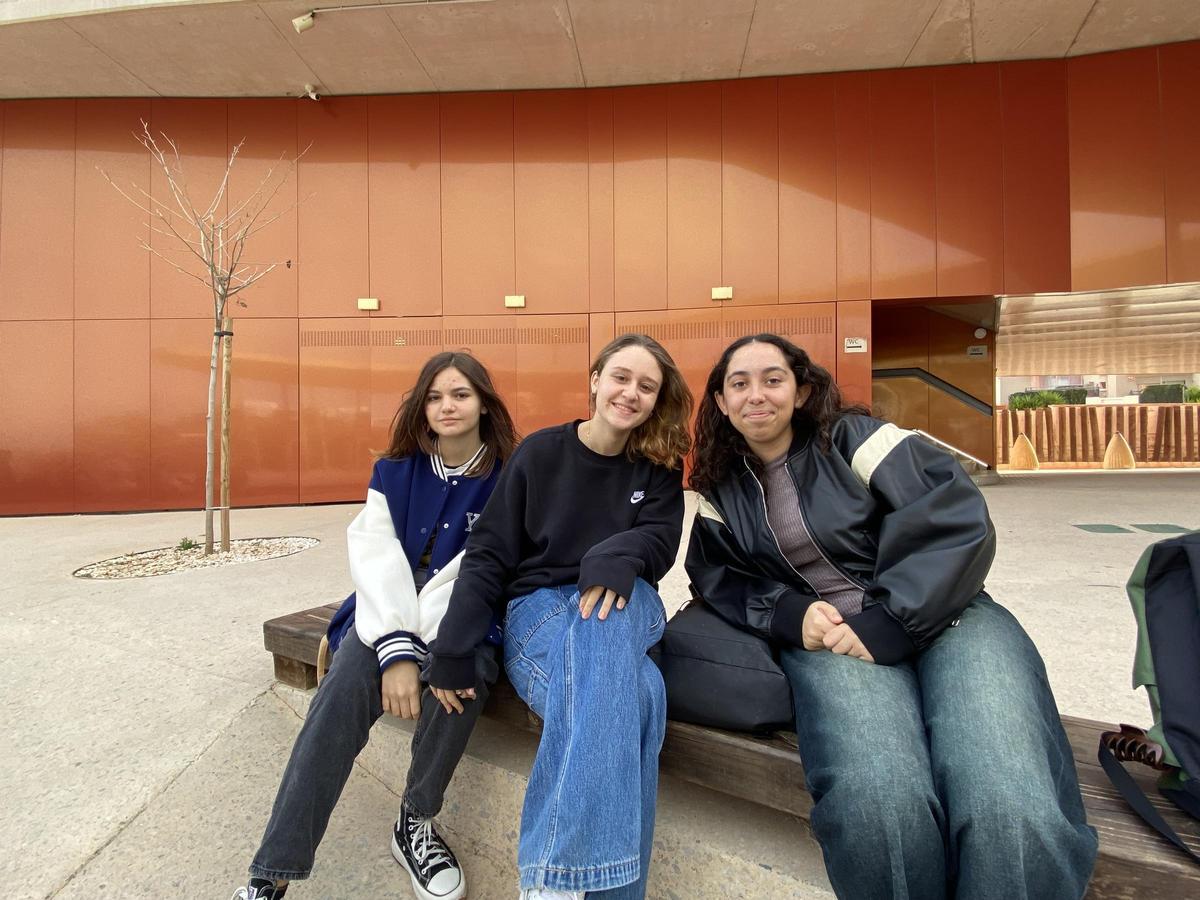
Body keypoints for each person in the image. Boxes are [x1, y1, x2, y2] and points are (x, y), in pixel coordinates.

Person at [684, 333, 1098, 900]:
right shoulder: (720, 490)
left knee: (1009, 799)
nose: (757, 395)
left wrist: (892, 620)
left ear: (802, 390)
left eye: (772, 379)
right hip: (832, 642)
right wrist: (788, 614)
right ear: (723, 402)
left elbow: (952, 517)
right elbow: (719, 575)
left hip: (949, 618)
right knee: (880, 801)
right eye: (739, 384)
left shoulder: (857, 439)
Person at [233, 351, 517, 900]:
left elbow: (479, 572)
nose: (446, 406)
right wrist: (397, 649)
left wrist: (426, 650)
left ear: (484, 402)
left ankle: (415, 820)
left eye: (460, 394)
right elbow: (377, 559)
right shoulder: (394, 471)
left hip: (464, 617)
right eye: (434, 396)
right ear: (420, 407)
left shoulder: (509, 476)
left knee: (461, 679)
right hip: (383, 613)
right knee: (340, 692)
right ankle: (272, 870)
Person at [427, 333, 693, 900]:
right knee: (639, 696)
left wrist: (614, 556)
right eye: (621, 377)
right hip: (542, 610)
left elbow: (660, 541)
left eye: (647, 386)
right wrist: (452, 648)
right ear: (594, 378)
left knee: (606, 618)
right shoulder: (540, 453)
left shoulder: (658, 468)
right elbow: (490, 555)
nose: (631, 393)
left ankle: (554, 880)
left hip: (627, 599)